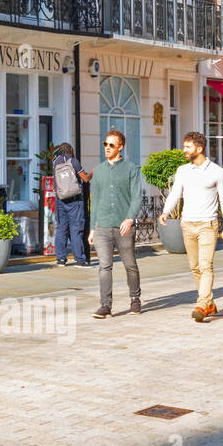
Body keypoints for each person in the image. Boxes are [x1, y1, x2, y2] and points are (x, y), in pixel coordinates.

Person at [158, 131, 223, 323]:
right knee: (195, 267)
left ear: (199, 148)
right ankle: (210, 303)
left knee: (206, 266)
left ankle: (201, 304)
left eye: (187, 147)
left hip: (208, 225)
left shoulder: (217, 172)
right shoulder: (183, 170)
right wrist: (166, 211)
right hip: (187, 224)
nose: (184, 150)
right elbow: (175, 193)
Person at [87, 128, 143, 318]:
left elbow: (136, 197)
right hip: (102, 226)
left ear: (120, 147)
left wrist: (129, 218)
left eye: (112, 145)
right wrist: (92, 228)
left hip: (124, 226)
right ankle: (105, 305)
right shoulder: (99, 171)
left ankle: (135, 299)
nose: (107, 148)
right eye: (105, 144)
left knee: (130, 264)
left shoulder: (131, 169)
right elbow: (94, 200)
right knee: (104, 267)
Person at [52, 143, 91, 267]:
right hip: (74, 200)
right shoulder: (73, 161)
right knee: (76, 229)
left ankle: (61, 259)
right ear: (71, 150)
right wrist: (91, 173)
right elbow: (85, 179)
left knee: (61, 228)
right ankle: (79, 259)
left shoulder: (56, 162)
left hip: (60, 199)